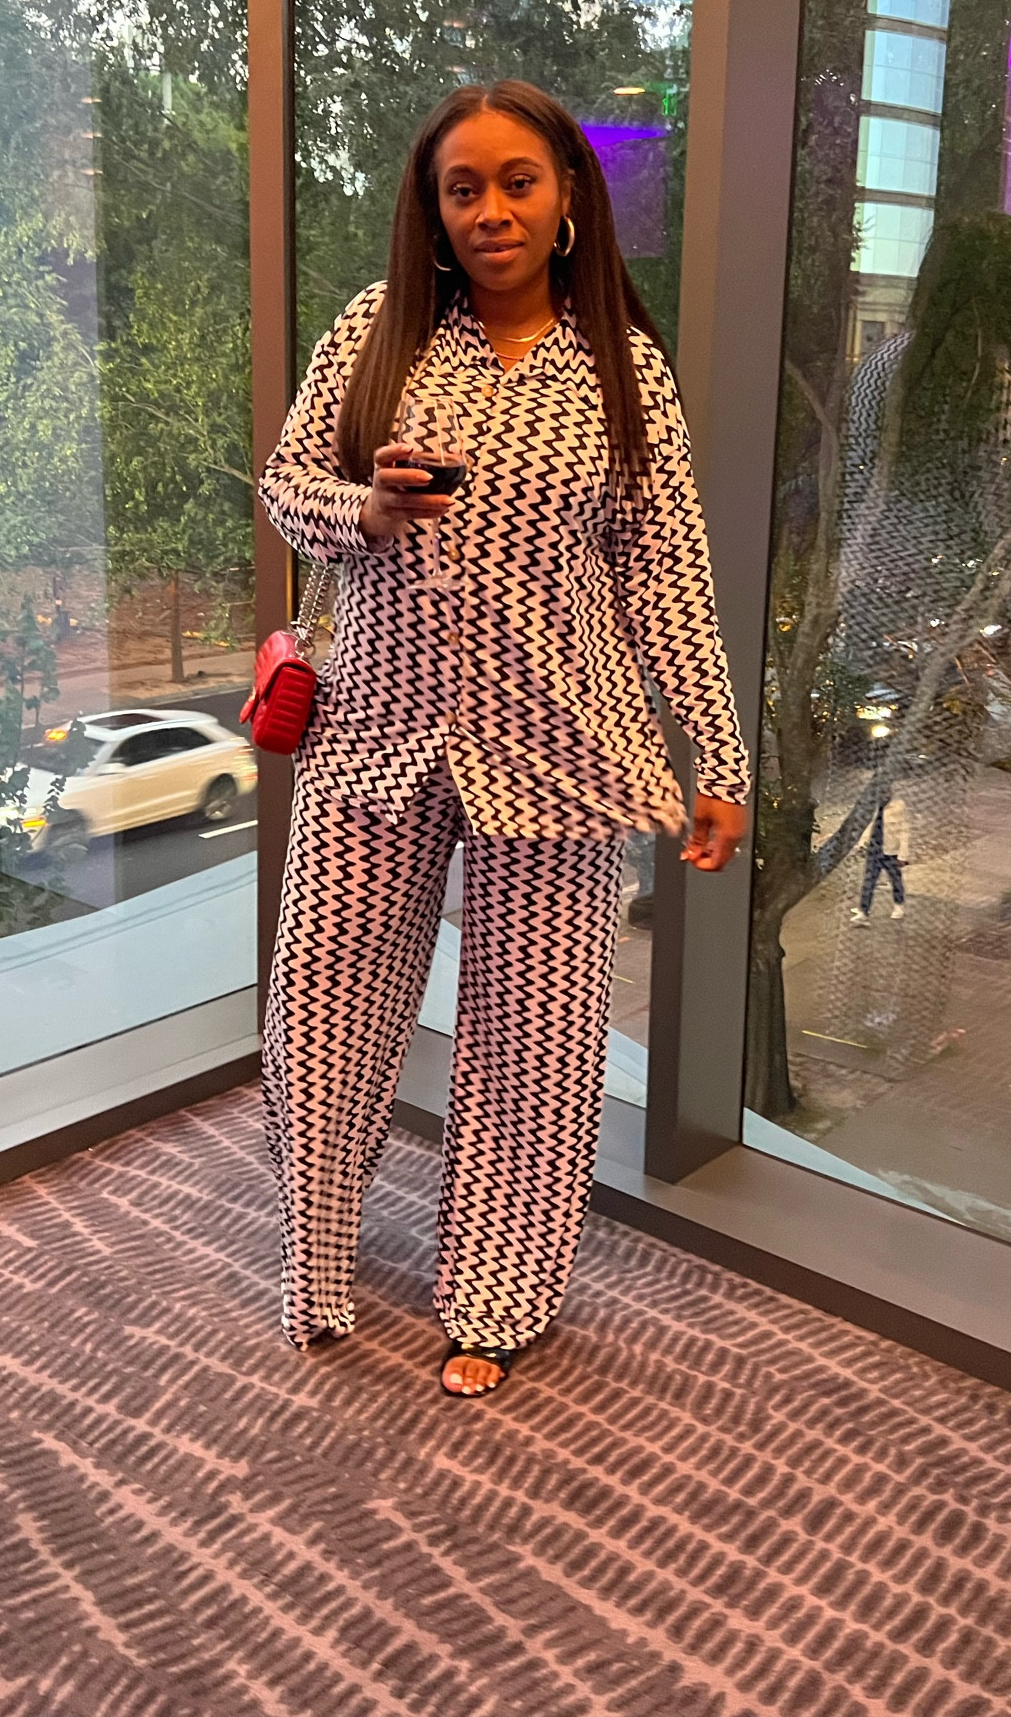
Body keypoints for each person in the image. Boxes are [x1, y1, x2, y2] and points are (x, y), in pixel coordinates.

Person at [257, 79, 748, 1399]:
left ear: (567, 195)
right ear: (432, 209)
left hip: (557, 749)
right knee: (321, 1011)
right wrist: (367, 510)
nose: (491, 210)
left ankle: (500, 1295)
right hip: (373, 735)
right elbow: (288, 489)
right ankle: (315, 1262)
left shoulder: (622, 369)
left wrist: (718, 758)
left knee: (533, 1039)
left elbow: (666, 577)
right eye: (462, 187)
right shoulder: (375, 330)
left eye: (517, 182)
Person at [850, 793, 910, 924]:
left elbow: (904, 831)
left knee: (895, 879)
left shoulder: (898, 806)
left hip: (890, 851)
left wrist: (902, 855)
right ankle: (863, 912)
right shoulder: (873, 806)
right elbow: (868, 826)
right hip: (873, 849)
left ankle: (898, 905)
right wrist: (862, 844)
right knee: (868, 881)